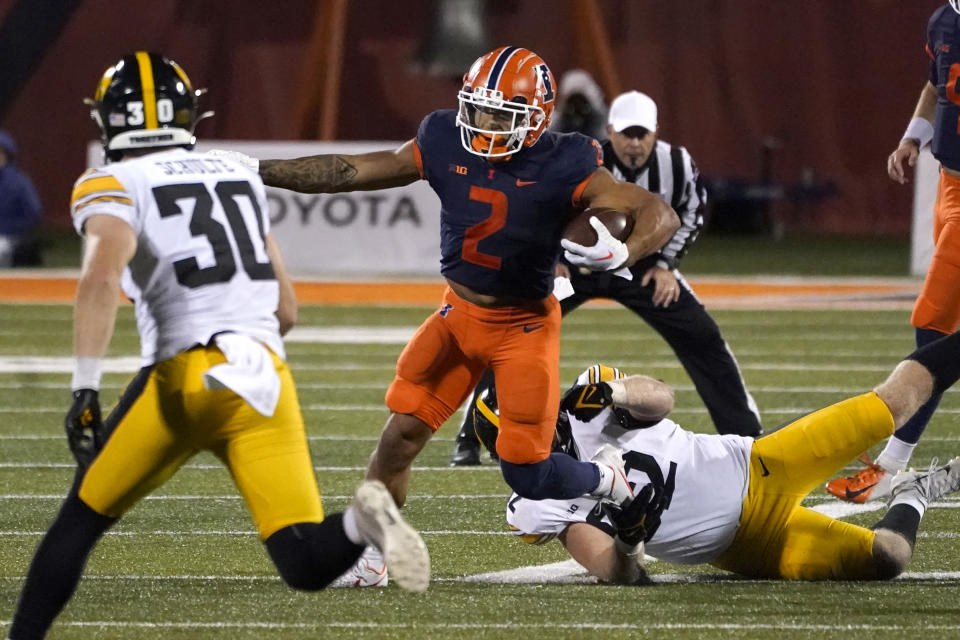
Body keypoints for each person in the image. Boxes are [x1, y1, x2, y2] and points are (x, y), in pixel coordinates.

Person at [7, 51, 429, 640]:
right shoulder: (231, 168)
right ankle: (363, 521)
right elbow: (286, 310)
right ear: (187, 113)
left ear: (110, 120)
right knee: (305, 561)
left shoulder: (114, 180)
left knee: (77, 524)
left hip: (185, 376)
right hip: (263, 377)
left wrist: (83, 385)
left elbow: (100, 280)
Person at [211, 46, 679, 512]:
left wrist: (626, 250)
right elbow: (350, 171)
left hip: (524, 326)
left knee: (527, 472)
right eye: (478, 111)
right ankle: (374, 554)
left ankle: (608, 477)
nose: (483, 126)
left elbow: (659, 212)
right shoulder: (443, 137)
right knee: (399, 438)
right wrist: (256, 169)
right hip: (458, 315)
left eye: (501, 116)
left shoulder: (567, 160)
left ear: (536, 118)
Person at [473, 333, 960, 584]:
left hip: (761, 465)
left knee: (895, 404)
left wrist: (610, 391)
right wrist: (629, 533)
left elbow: (662, 399)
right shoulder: (535, 501)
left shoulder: (586, 403)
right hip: (747, 549)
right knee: (889, 558)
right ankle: (914, 495)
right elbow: (621, 573)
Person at [449, 89, 760, 466]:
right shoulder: (584, 159)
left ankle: (745, 434)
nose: (634, 143)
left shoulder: (677, 163)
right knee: (511, 332)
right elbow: (541, 210)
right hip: (574, 264)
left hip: (641, 266)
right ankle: (471, 435)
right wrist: (553, 259)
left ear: (655, 132)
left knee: (703, 336)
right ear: (610, 130)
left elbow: (692, 213)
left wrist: (666, 264)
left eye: (641, 134)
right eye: (626, 134)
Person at [827, 0, 960, 504]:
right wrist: (912, 137)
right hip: (948, 185)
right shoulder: (943, 20)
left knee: (933, 326)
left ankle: (890, 465)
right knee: (936, 328)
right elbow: (935, 84)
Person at [0, 130, 43, 267]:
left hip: (9, 238)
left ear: (7, 155)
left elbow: (33, 214)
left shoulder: (19, 182)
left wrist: (9, 229)